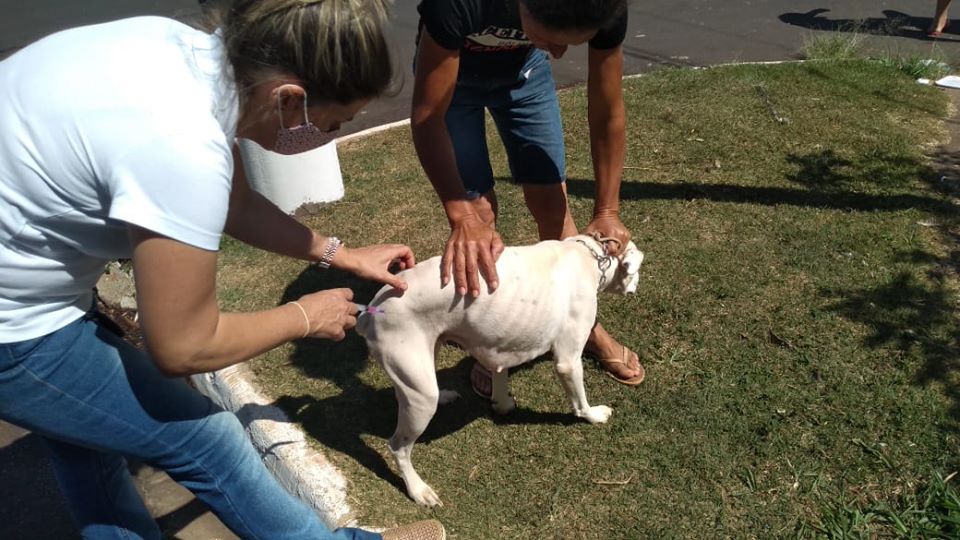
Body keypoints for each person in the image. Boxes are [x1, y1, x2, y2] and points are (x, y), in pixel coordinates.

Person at [0, 1, 445, 539]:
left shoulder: (189, 58)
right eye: (333, 123)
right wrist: (303, 316)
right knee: (204, 438)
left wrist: (340, 253)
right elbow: (183, 346)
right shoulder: (179, 145)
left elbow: (236, 205)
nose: (327, 137)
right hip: (15, 324)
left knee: (89, 439)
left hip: (27, 288)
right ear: (288, 98)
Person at [410, 0, 644, 396]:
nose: (558, 53)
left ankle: (583, 326)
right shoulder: (457, 3)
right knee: (480, 215)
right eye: (551, 39)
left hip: (524, 75)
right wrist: (462, 214)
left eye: (573, 43)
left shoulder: (607, 6)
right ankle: (493, 339)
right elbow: (429, 115)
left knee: (553, 205)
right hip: (455, 80)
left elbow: (607, 109)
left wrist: (607, 209)